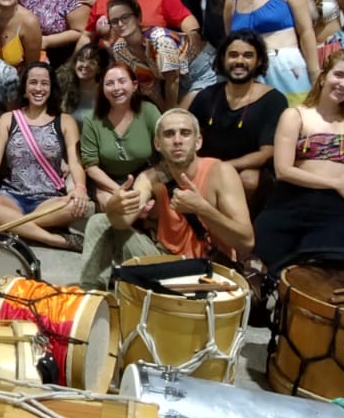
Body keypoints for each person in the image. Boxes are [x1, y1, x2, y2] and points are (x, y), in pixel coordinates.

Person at [79, 107, 255, 289]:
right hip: (163, 263)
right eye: (169, 134)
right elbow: (122, 222)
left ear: (198, 142)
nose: (177, 140)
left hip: (208, 270)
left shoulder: (221, 172)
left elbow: (246, 242)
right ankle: (91, 296)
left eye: (185, 133)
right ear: (158, 144)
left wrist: (202, 209)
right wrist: (114, 209)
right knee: (99, 222)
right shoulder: (150, 178)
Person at [251, 49, 344, 277]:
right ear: (323, 76)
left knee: (320, 276)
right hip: (293, 200)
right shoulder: (295, 115)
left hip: (336, 207)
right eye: (339, 75)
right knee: (270, 270)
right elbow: (283, 170)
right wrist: (335, 183)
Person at [0, 62, 92, 251]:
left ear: (51, 88)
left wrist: (80, 189)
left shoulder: (65, 121)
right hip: (11, 197)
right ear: (24, 88)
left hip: (48, 200)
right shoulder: (8, 119)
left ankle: (9, 225)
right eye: (33, 82)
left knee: (75, 206)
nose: (38, 88)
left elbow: (75, 162)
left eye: (44, 83)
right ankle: (52, 239)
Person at [184, 30, 287, 212]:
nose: (239, 61)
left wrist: (223, 168)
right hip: (206, 166)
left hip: (246, 171)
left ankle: (240, 227)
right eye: (233, 55)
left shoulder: (273, 100)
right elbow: (188, 136)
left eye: (248, 55)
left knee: (248, 179)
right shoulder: (207, 95)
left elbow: (266, 153)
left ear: (259, 61)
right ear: (223, 59)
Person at [79, 61, 162, 205]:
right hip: (106, 181)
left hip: (143, 175)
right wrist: (119, 190)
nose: (116, 88)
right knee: (118, 206)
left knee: (149, 205)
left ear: (134, 85)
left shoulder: (149, 111)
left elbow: (165, 146)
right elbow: (91, 166)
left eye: (122, 81)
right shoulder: (92, 120)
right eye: (109, 84)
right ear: (102, 89)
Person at [106, 0, 187, 109]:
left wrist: (170, 112)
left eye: (125, 17)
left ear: (138, 17)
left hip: (197, 71)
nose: (120, 24)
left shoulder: (159, 40)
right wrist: (163, 112)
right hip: (169, 82)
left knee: (183, 114)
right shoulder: (119, 49)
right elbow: (150, 87)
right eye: (114, 21)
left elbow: (173, 80)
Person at [58, 43, 109, 127]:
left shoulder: (105, 93)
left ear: (100, 69)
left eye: (92, 63)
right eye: (81, 60)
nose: (85, 65)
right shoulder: (64, 85)